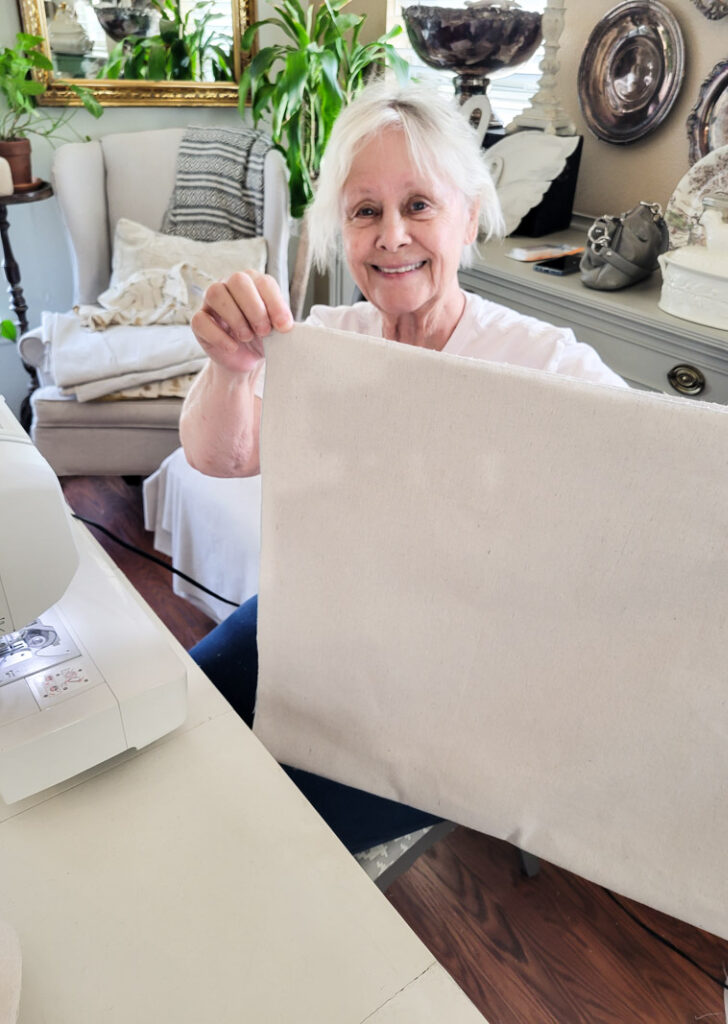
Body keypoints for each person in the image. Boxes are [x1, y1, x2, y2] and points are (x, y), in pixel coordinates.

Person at [180, 81, 627, 854]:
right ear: (341, 232)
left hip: (450, 684)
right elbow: (221, 456)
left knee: (263, 822)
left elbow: (644, 494)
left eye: (418, 204)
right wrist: (231, 366)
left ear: (469, 216)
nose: (391, 235)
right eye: (365, 211)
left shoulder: (545, 362)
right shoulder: (327, 338)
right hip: (316, 621)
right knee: (180, 723)